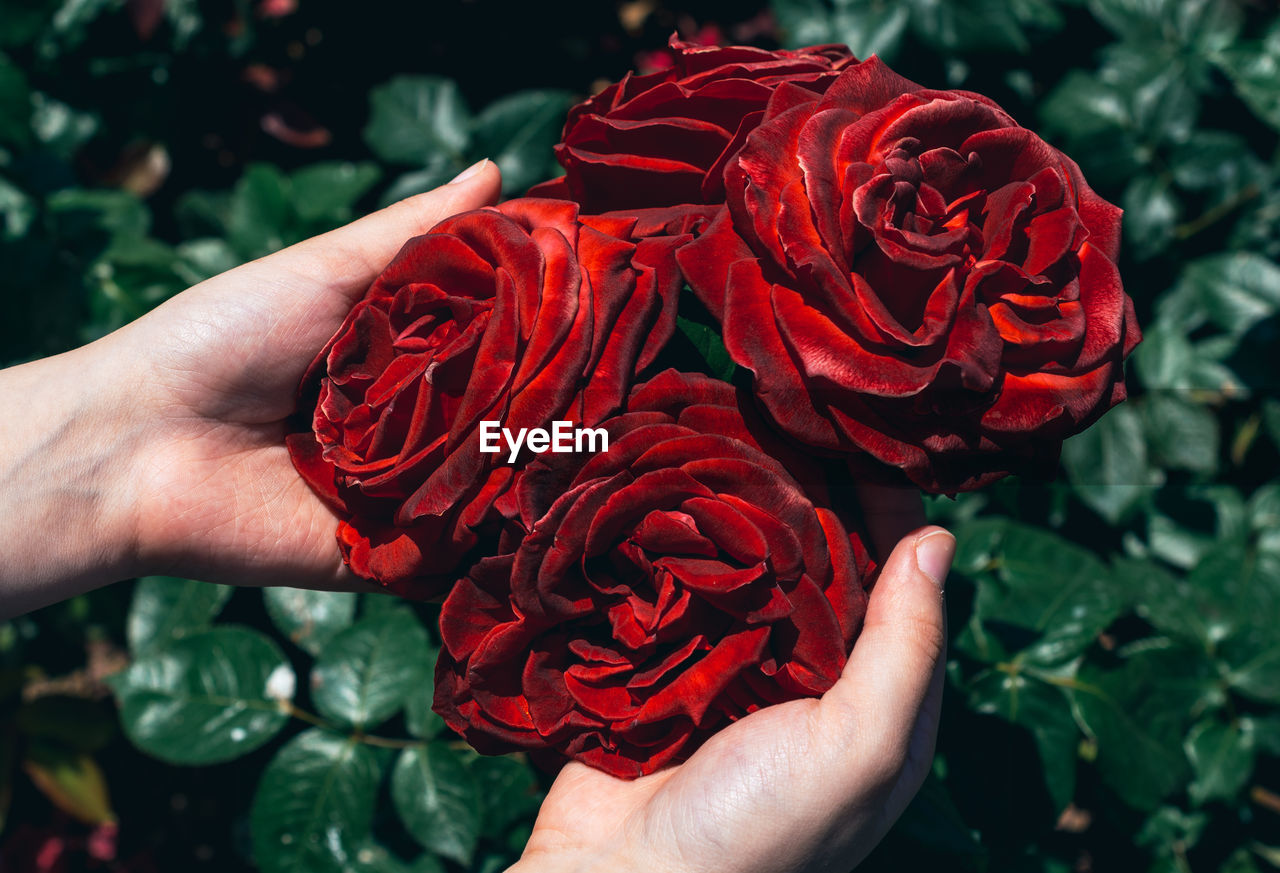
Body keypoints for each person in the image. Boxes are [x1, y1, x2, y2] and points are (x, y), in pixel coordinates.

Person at [0, 159, 955, 873]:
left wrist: (127, 439)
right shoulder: (564, 447)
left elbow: (545, 457)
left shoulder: (578, 444)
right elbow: (541, 455)